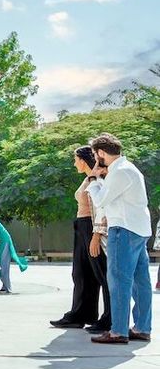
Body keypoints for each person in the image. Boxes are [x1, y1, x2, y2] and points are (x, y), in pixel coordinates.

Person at [85, 134, 152, 344]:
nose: (95, 159)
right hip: (138, 229)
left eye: (95, 154)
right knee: (140, 282)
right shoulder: (129, 169)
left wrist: (93, 180)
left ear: (101, 153)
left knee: (119, 282)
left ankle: (118, 331)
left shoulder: (119, 172)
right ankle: (142, 327)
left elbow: (101, 201)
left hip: (123, 229)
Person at [51, 146, 110, 330]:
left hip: (92, 227)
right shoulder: (88, 178)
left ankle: (109, 319)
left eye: (75, 160)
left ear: (83, 161)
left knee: (102, 273)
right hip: (82, 226)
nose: (74, 163)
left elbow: (102, 208)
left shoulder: (98, 178)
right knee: (82, 273)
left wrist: (96, 235)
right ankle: (80, 315)